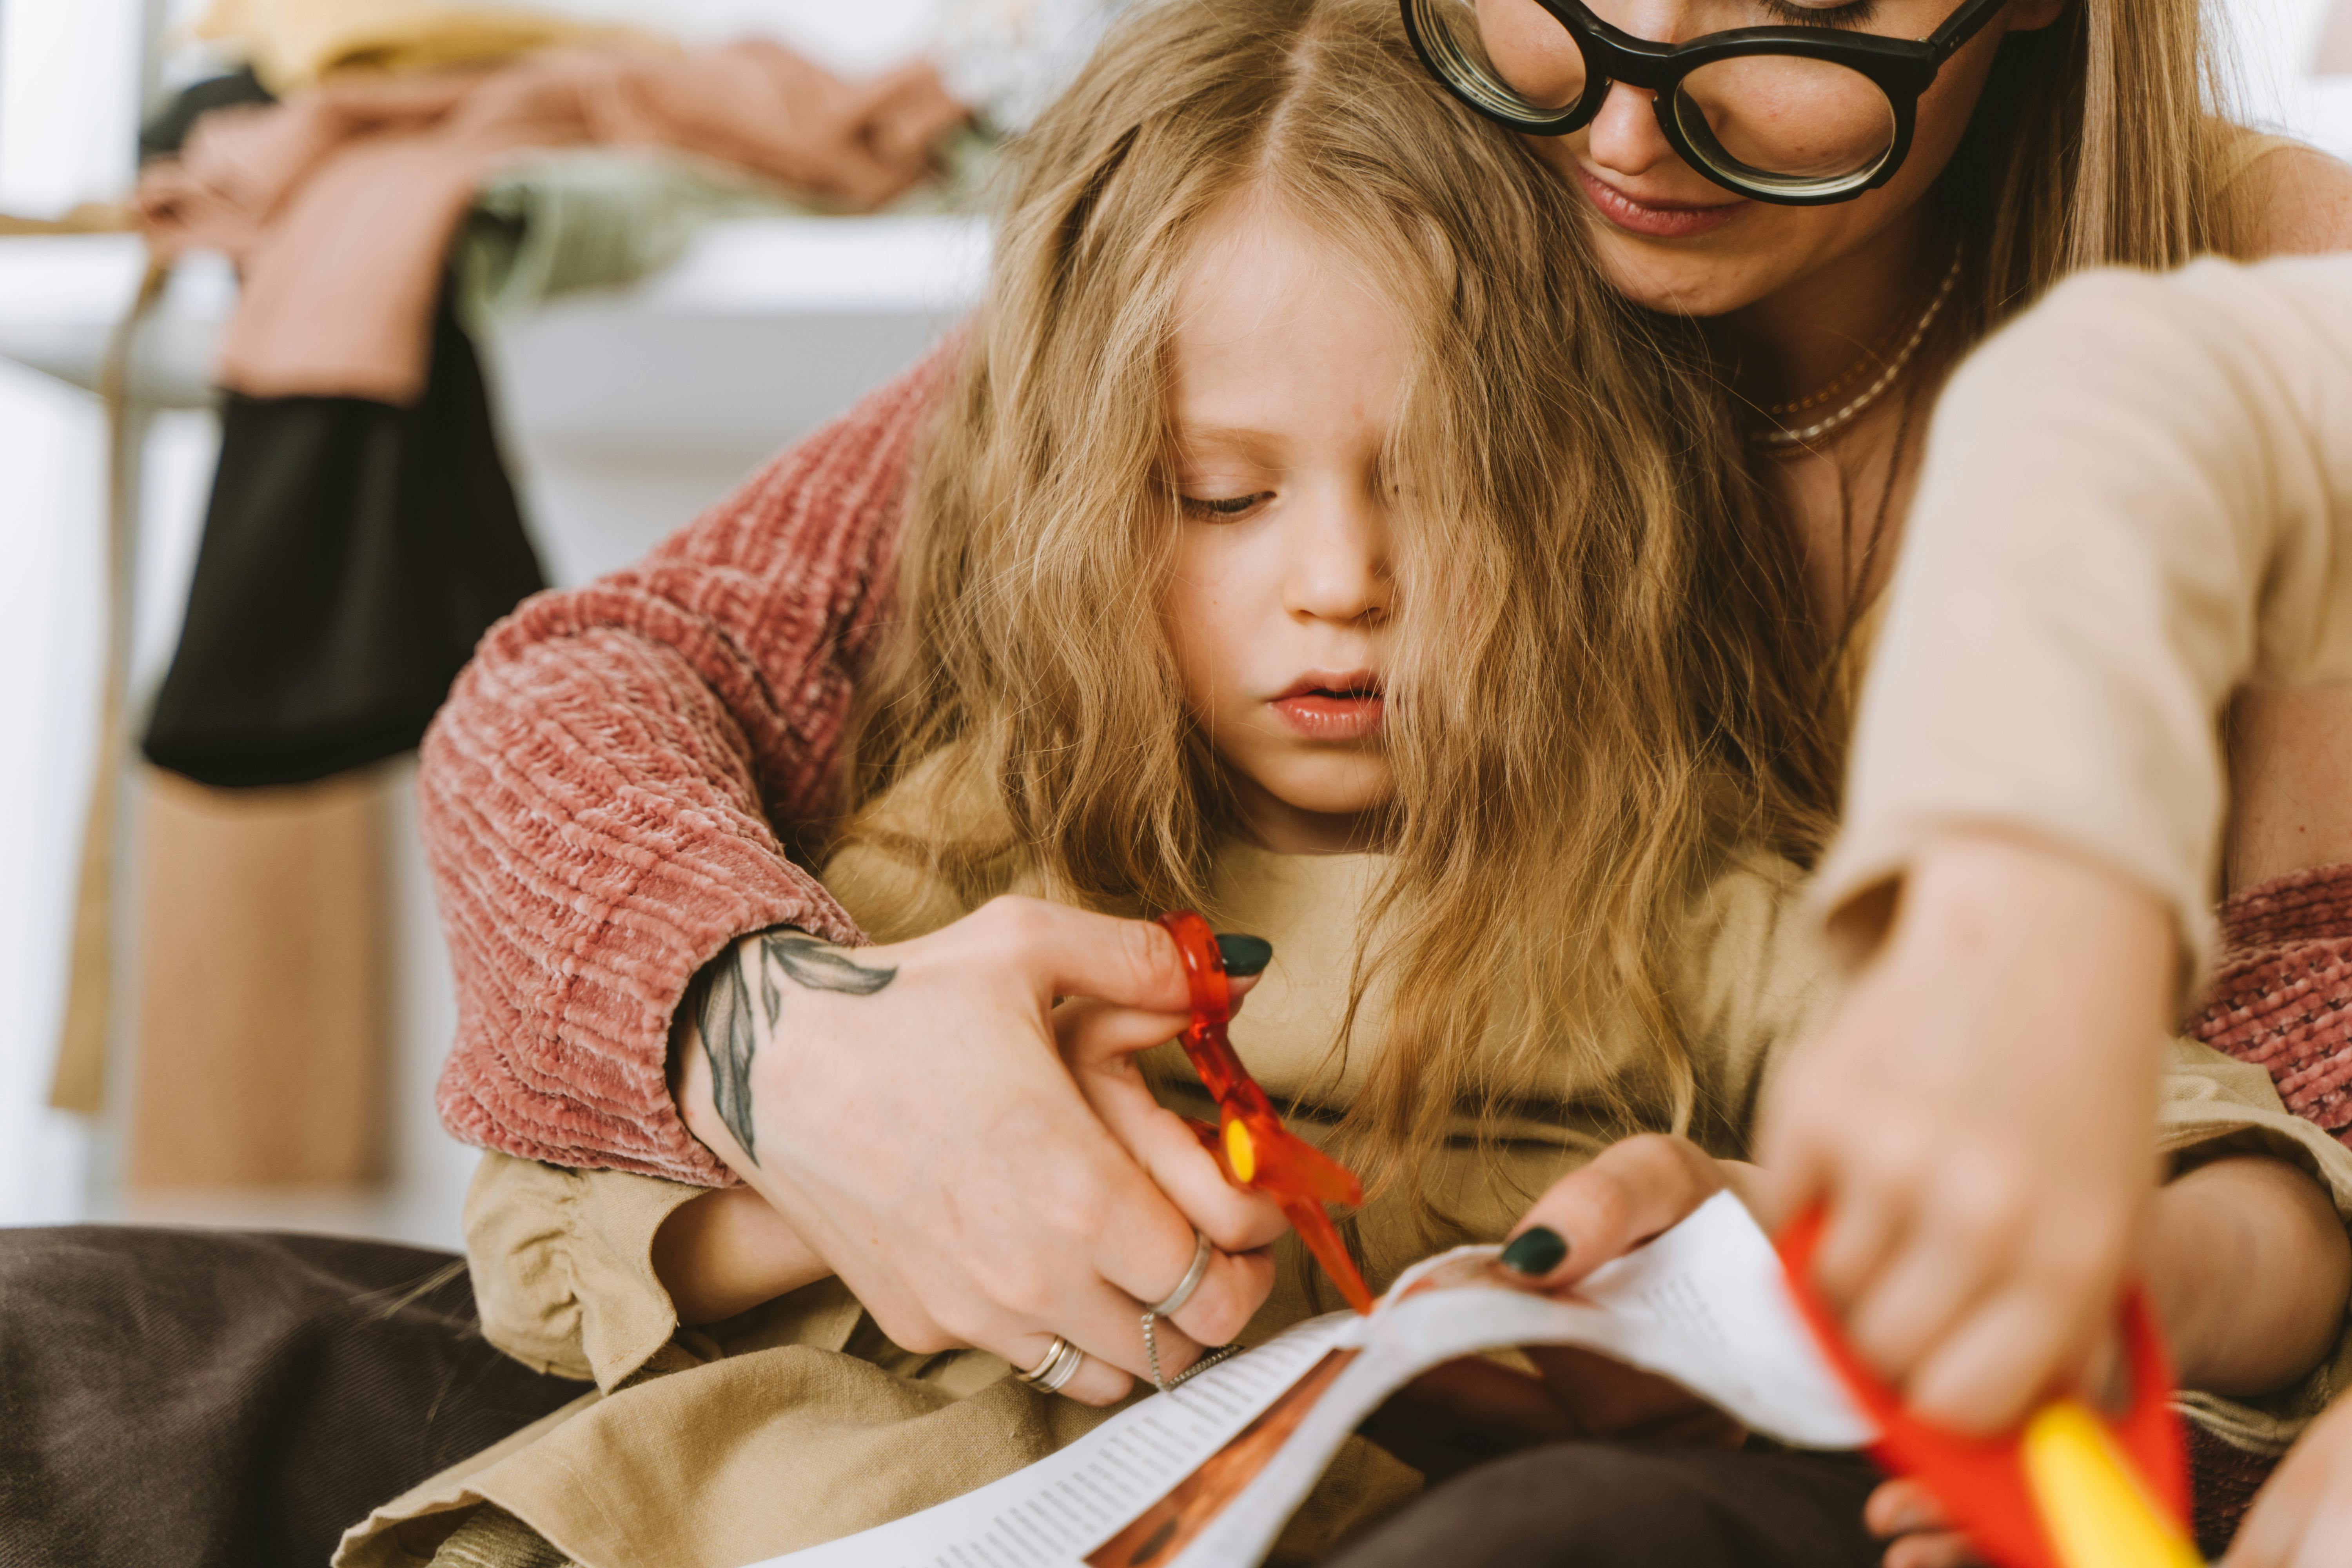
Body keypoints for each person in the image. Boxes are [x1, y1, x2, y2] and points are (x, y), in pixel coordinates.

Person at [359, 7, 2352, 1566]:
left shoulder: (1681, 883)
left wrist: (1996, 1279)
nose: (1626, 126)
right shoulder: (1322, 191)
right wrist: (822, 1090)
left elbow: (2221, 1149)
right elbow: (601, 692)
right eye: (1220, 497)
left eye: (1799, 1)